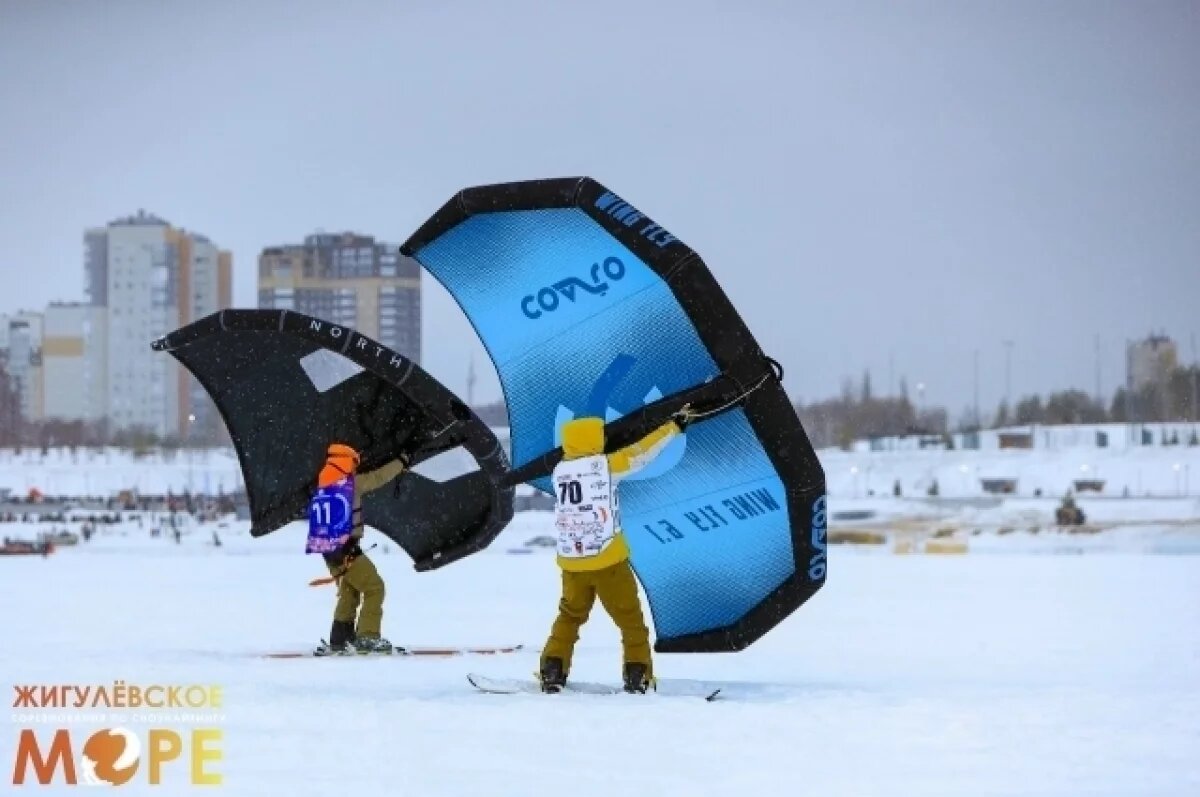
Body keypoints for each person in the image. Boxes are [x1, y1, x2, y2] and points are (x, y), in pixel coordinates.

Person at [539, 407, 694, 694]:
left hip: (572, 562)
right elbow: (642, 453)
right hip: (608, 558)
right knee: (630, 621)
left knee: (569, 617)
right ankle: (638, 674)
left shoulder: (559, 472)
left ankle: (552, 668)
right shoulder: (606, 466)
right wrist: (672, 427)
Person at [310, 443, 409, 656]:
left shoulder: (323, 484)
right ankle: (368, 638)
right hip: (346, 550)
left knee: (349, 591)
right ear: (347, 463)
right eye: (354, 463)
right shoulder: (350, 483)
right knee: (375, 587)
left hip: (329, 552)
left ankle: (340, 639)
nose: (356, 467)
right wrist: (401, 462)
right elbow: (379, 477)